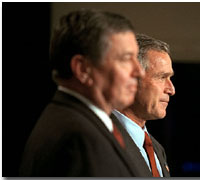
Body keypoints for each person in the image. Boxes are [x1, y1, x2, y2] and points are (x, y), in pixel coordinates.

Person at [19, 9, 144, 177]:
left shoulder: (72, 121)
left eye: (136, 58)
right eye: (125, 59)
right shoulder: (78, 138)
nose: (139, 72)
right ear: (83, 69)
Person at [112, 33, 175, 177]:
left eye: (170, 78)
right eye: (161, 77)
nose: (171, 89)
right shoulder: (99, 140)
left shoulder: (156, 149)